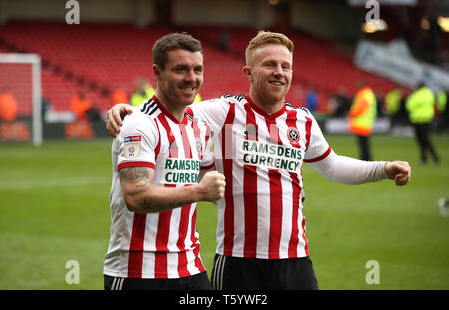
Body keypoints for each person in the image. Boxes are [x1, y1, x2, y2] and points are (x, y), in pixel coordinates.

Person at [105, 31, 411, 290]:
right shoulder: (224, 113)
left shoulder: (302, 121)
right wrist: (127, 110)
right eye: (269, 64)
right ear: (248, 73)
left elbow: (331, 165)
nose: (279, 71)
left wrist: (381, 169)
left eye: (286, 66)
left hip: (294, 258)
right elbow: (170, 110)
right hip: (237, 261)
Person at [103, 33, 226, 290]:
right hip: (137, 272)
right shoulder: (139, 123)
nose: (192, 78)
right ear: (157, 73)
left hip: (190, 267)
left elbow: (214, 184)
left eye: (197, 69)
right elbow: (136, 196)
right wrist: (200, 191)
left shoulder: (200, 128)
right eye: (181, 69)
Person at [405, 83, 440, 164]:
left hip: (418, 119)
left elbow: (409, 105)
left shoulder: (416, 94)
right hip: (428, 118)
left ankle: (432, 157)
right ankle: (426, 158)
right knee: (426, 139)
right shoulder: (430, 93)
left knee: (421, 140)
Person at [348, 82, 377, 161]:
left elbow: (362, 107)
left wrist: (353, 114)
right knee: (364, 146)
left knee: (364, 146)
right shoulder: (368, 94)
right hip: (364, 123)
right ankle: (366, 161)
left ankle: (366, 161)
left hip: (362, 124)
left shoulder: (365, 94)